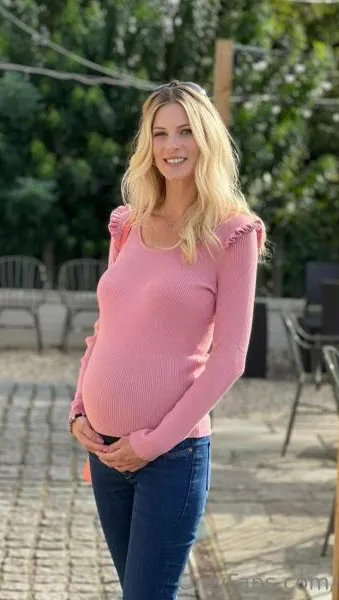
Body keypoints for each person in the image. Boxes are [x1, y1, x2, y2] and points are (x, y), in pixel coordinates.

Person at [68, 80, 266, 600]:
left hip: (172, 459)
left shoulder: (233, 233)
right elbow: (105, 329)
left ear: (207, 139)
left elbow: (230, 359)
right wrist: (79, 408)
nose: (172, 145)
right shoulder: (127, 224)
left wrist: (150, 445)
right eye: (160, 133)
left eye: (185, 131)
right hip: (106, 453)